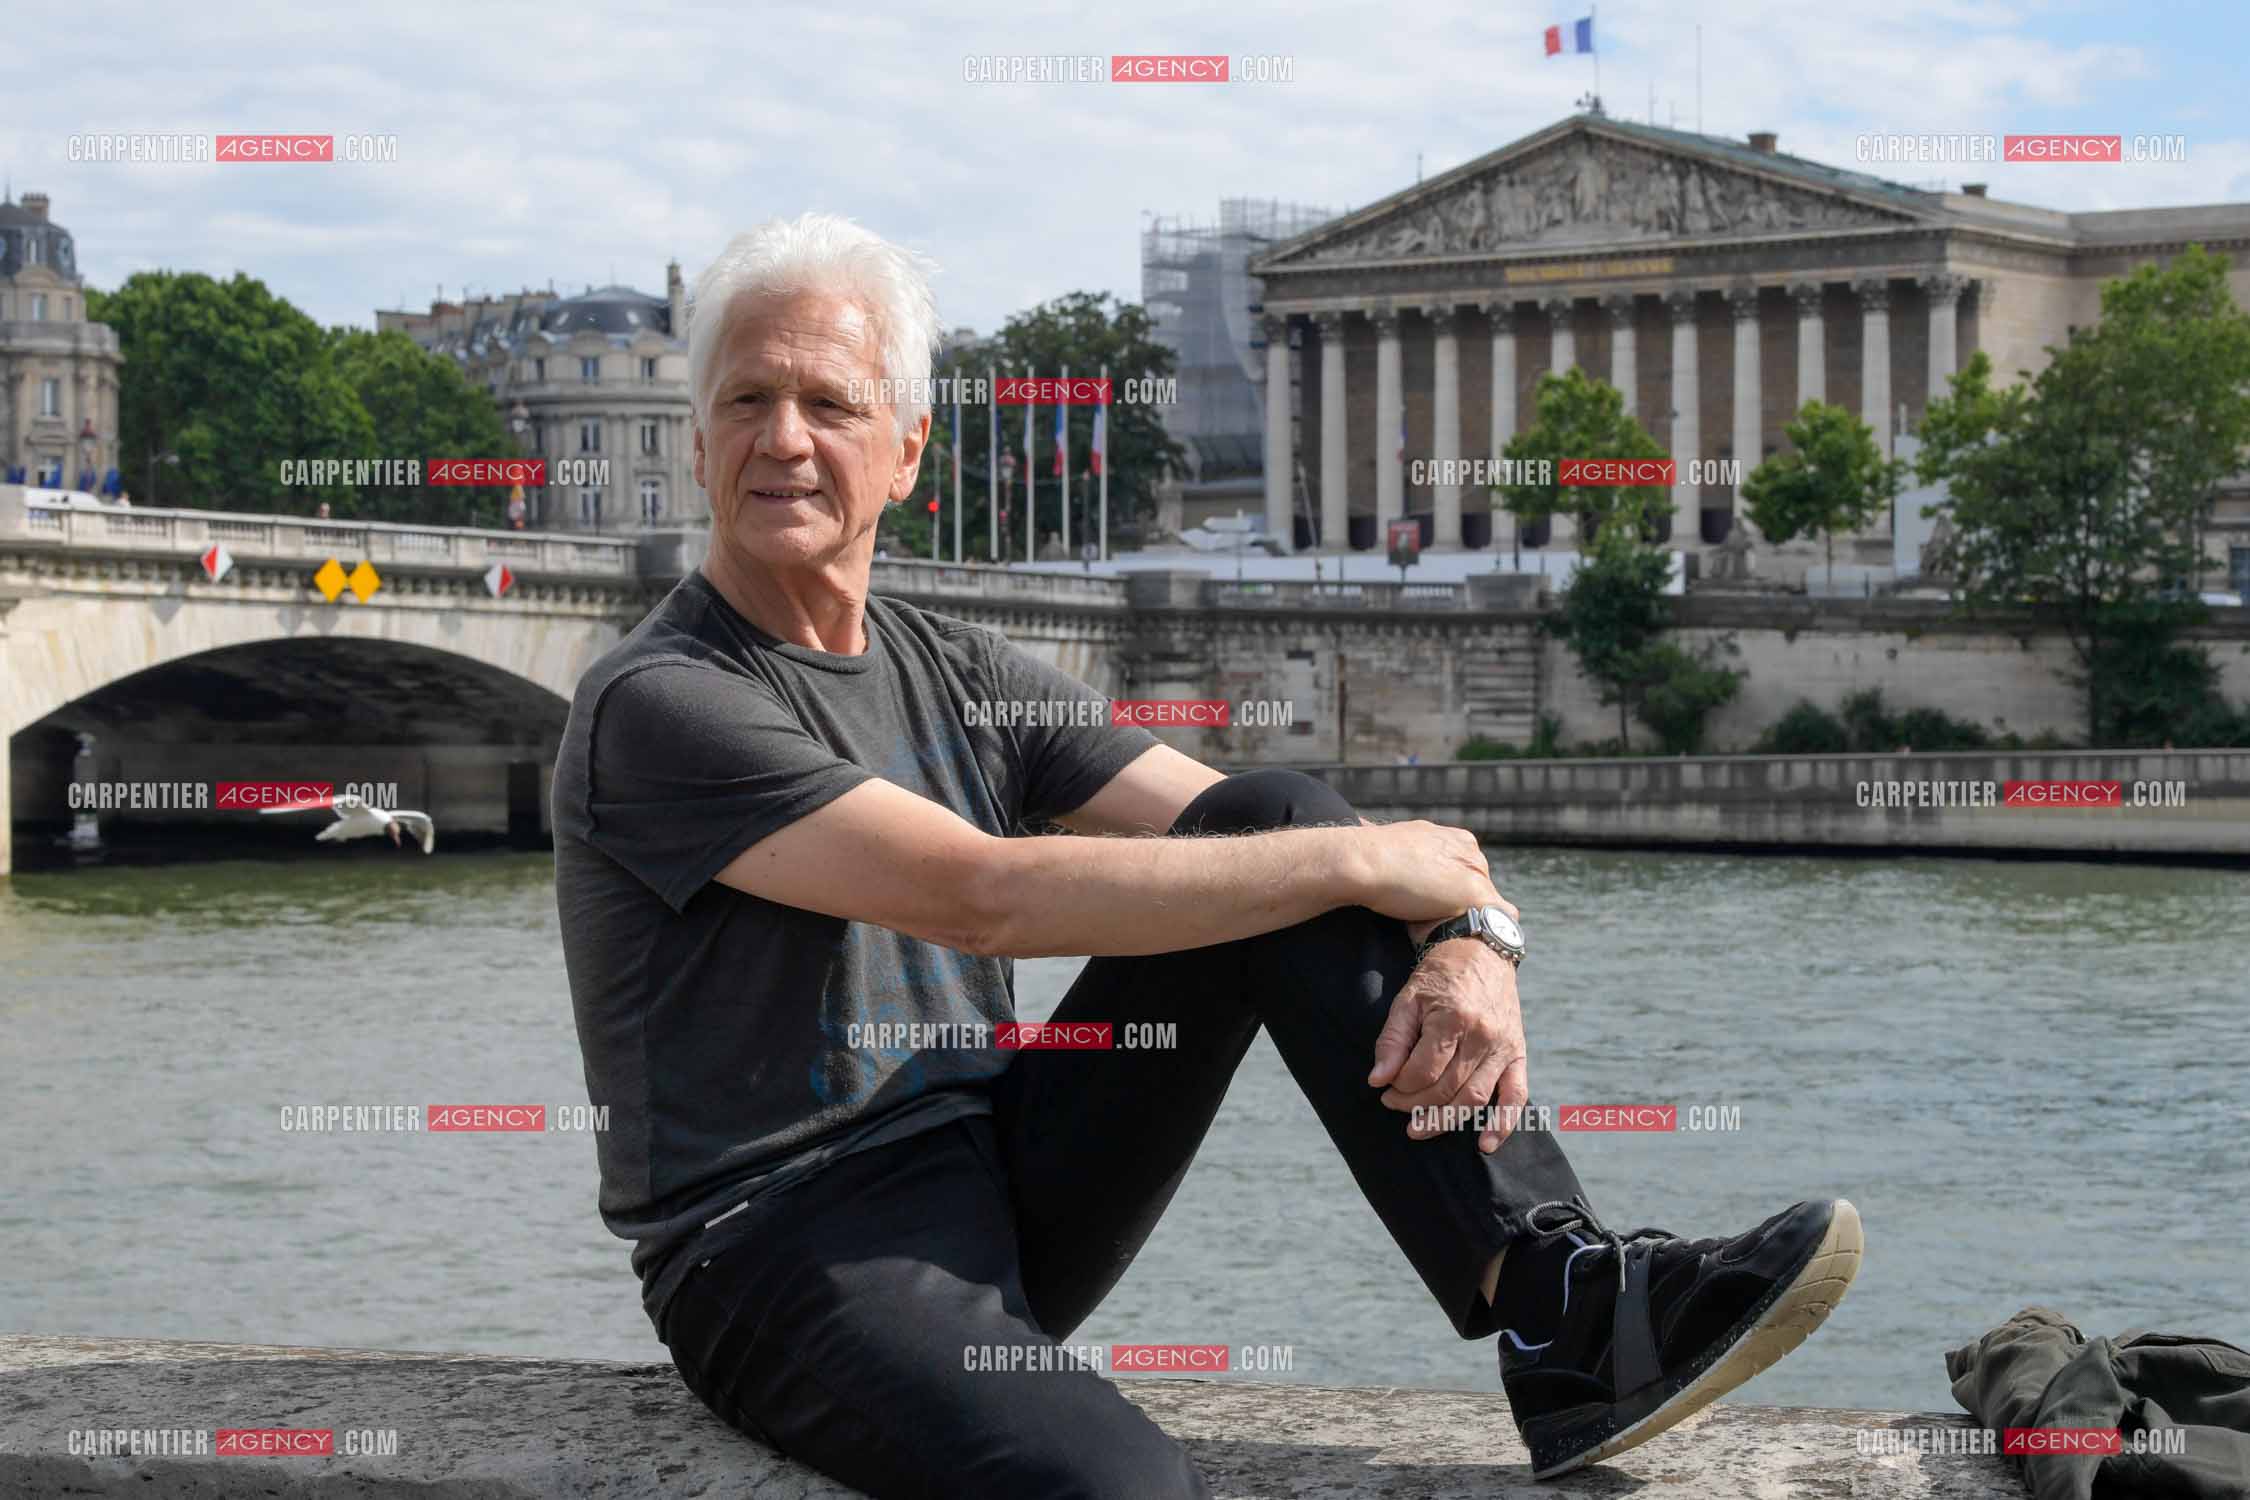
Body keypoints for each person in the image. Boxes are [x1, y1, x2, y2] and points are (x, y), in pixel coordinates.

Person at [551, 213, 1863, 1498]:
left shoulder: (952, 667)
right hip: (785, 1244)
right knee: (1120, 1486)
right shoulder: (659, 702)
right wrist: (1377, 867)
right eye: (746, 401)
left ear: (903, 453)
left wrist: (1473, 934)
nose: (783, 438)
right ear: (701, 439)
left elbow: (1256, 826)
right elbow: (983, 897)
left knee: (1272, 818)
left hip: (998, 1170)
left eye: (828, 404)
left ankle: (1560, 1303)